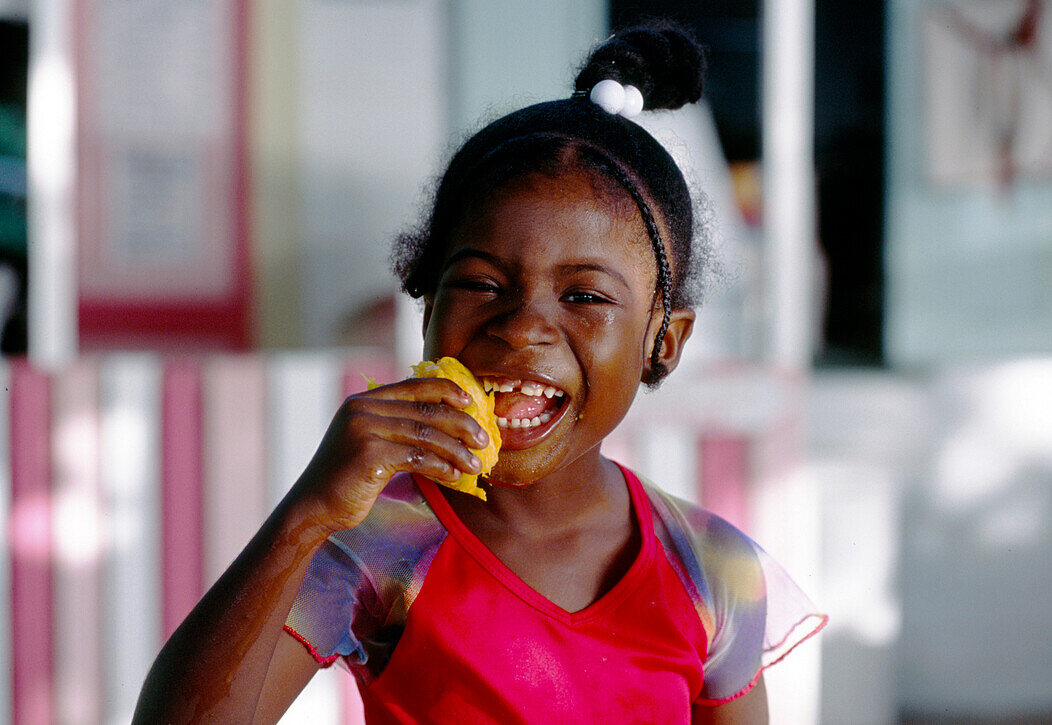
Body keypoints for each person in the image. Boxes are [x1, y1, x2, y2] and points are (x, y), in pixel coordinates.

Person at [134, 20, 825, 724]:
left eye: (584, 296)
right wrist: (308, 514)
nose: (522, 328)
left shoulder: (710, 569)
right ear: (428, 303)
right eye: (482, 285)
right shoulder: (382, 538)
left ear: (664, 341)